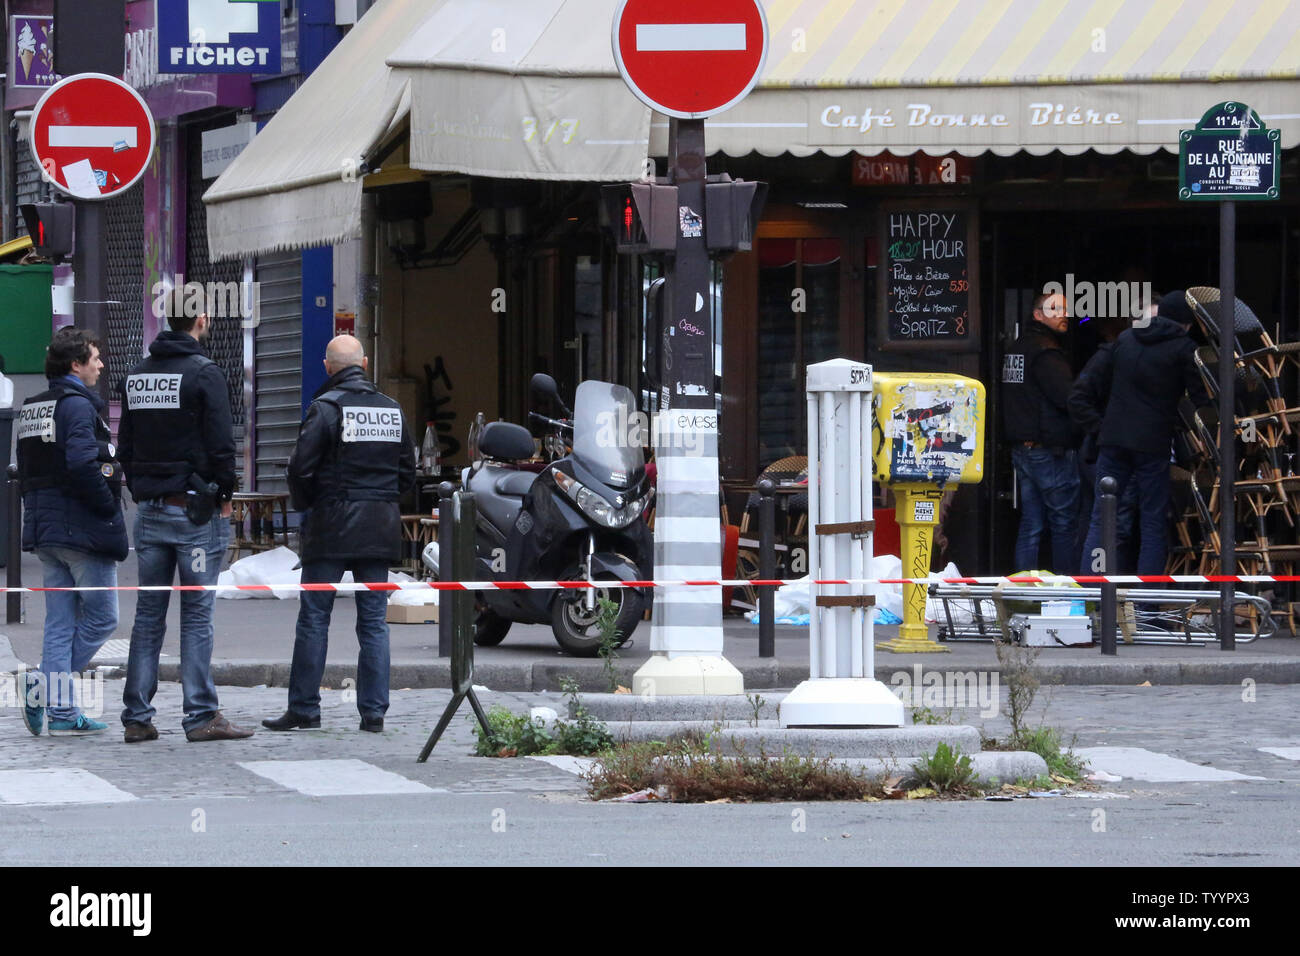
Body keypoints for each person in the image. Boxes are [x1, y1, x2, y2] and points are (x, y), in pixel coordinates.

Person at [264, 335, 415, 733]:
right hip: (378, 528)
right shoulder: (392, 411)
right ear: (364, 364)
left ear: (328, 367)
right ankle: (374, 713)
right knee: (374, 622)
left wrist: (311, 505)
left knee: (314, 619)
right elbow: (407, 475)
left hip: (330, 527)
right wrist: (380, 501)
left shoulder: (326, 409)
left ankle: (304, 710)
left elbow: (300, 469)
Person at [118, 311, 253, 743]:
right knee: (197, 614)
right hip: (195, 514)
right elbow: (220, 444)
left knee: (148, 615)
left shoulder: (137, 375)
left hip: (152, 514)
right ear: (200, 318)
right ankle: (200, 716)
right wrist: (226, 497)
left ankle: (137, 717)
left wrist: (143, 490)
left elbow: (125, 447)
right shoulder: (204, 372)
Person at [15, 328, 127, 736]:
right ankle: (46, 689)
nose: (100, 364)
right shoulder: (77, 406)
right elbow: (83, 465)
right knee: (102, 617)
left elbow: (25, 467)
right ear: (75, 365)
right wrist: (106, 508)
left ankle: (61, 714)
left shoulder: (34, 406)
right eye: (94, 358)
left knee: (60, 623)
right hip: (80, 527)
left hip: (45, 528)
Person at [1076, 291, 1213, 574]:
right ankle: (1147, 606)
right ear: (1187, 323)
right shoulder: (1184, 348)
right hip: (1152, 443)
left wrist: (1103, 426)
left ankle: (1090, 595)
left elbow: (1094, 386)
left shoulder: (1125, 340)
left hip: (1113, 440)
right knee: (1152, 524)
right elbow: (1199, 400)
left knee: (1101, 519)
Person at [1001, 291, 1080, 573]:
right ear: (1037, 315)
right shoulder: (1046, 353)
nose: (1064, 314)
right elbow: (1068, 398)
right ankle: (1067, 595)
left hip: (1023, 449)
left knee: (1031, 523)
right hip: (1048, 450)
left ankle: (1023, 592)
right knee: (1064, 523)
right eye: (1055, 309)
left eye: (1065, 309)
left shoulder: (1016, 349)